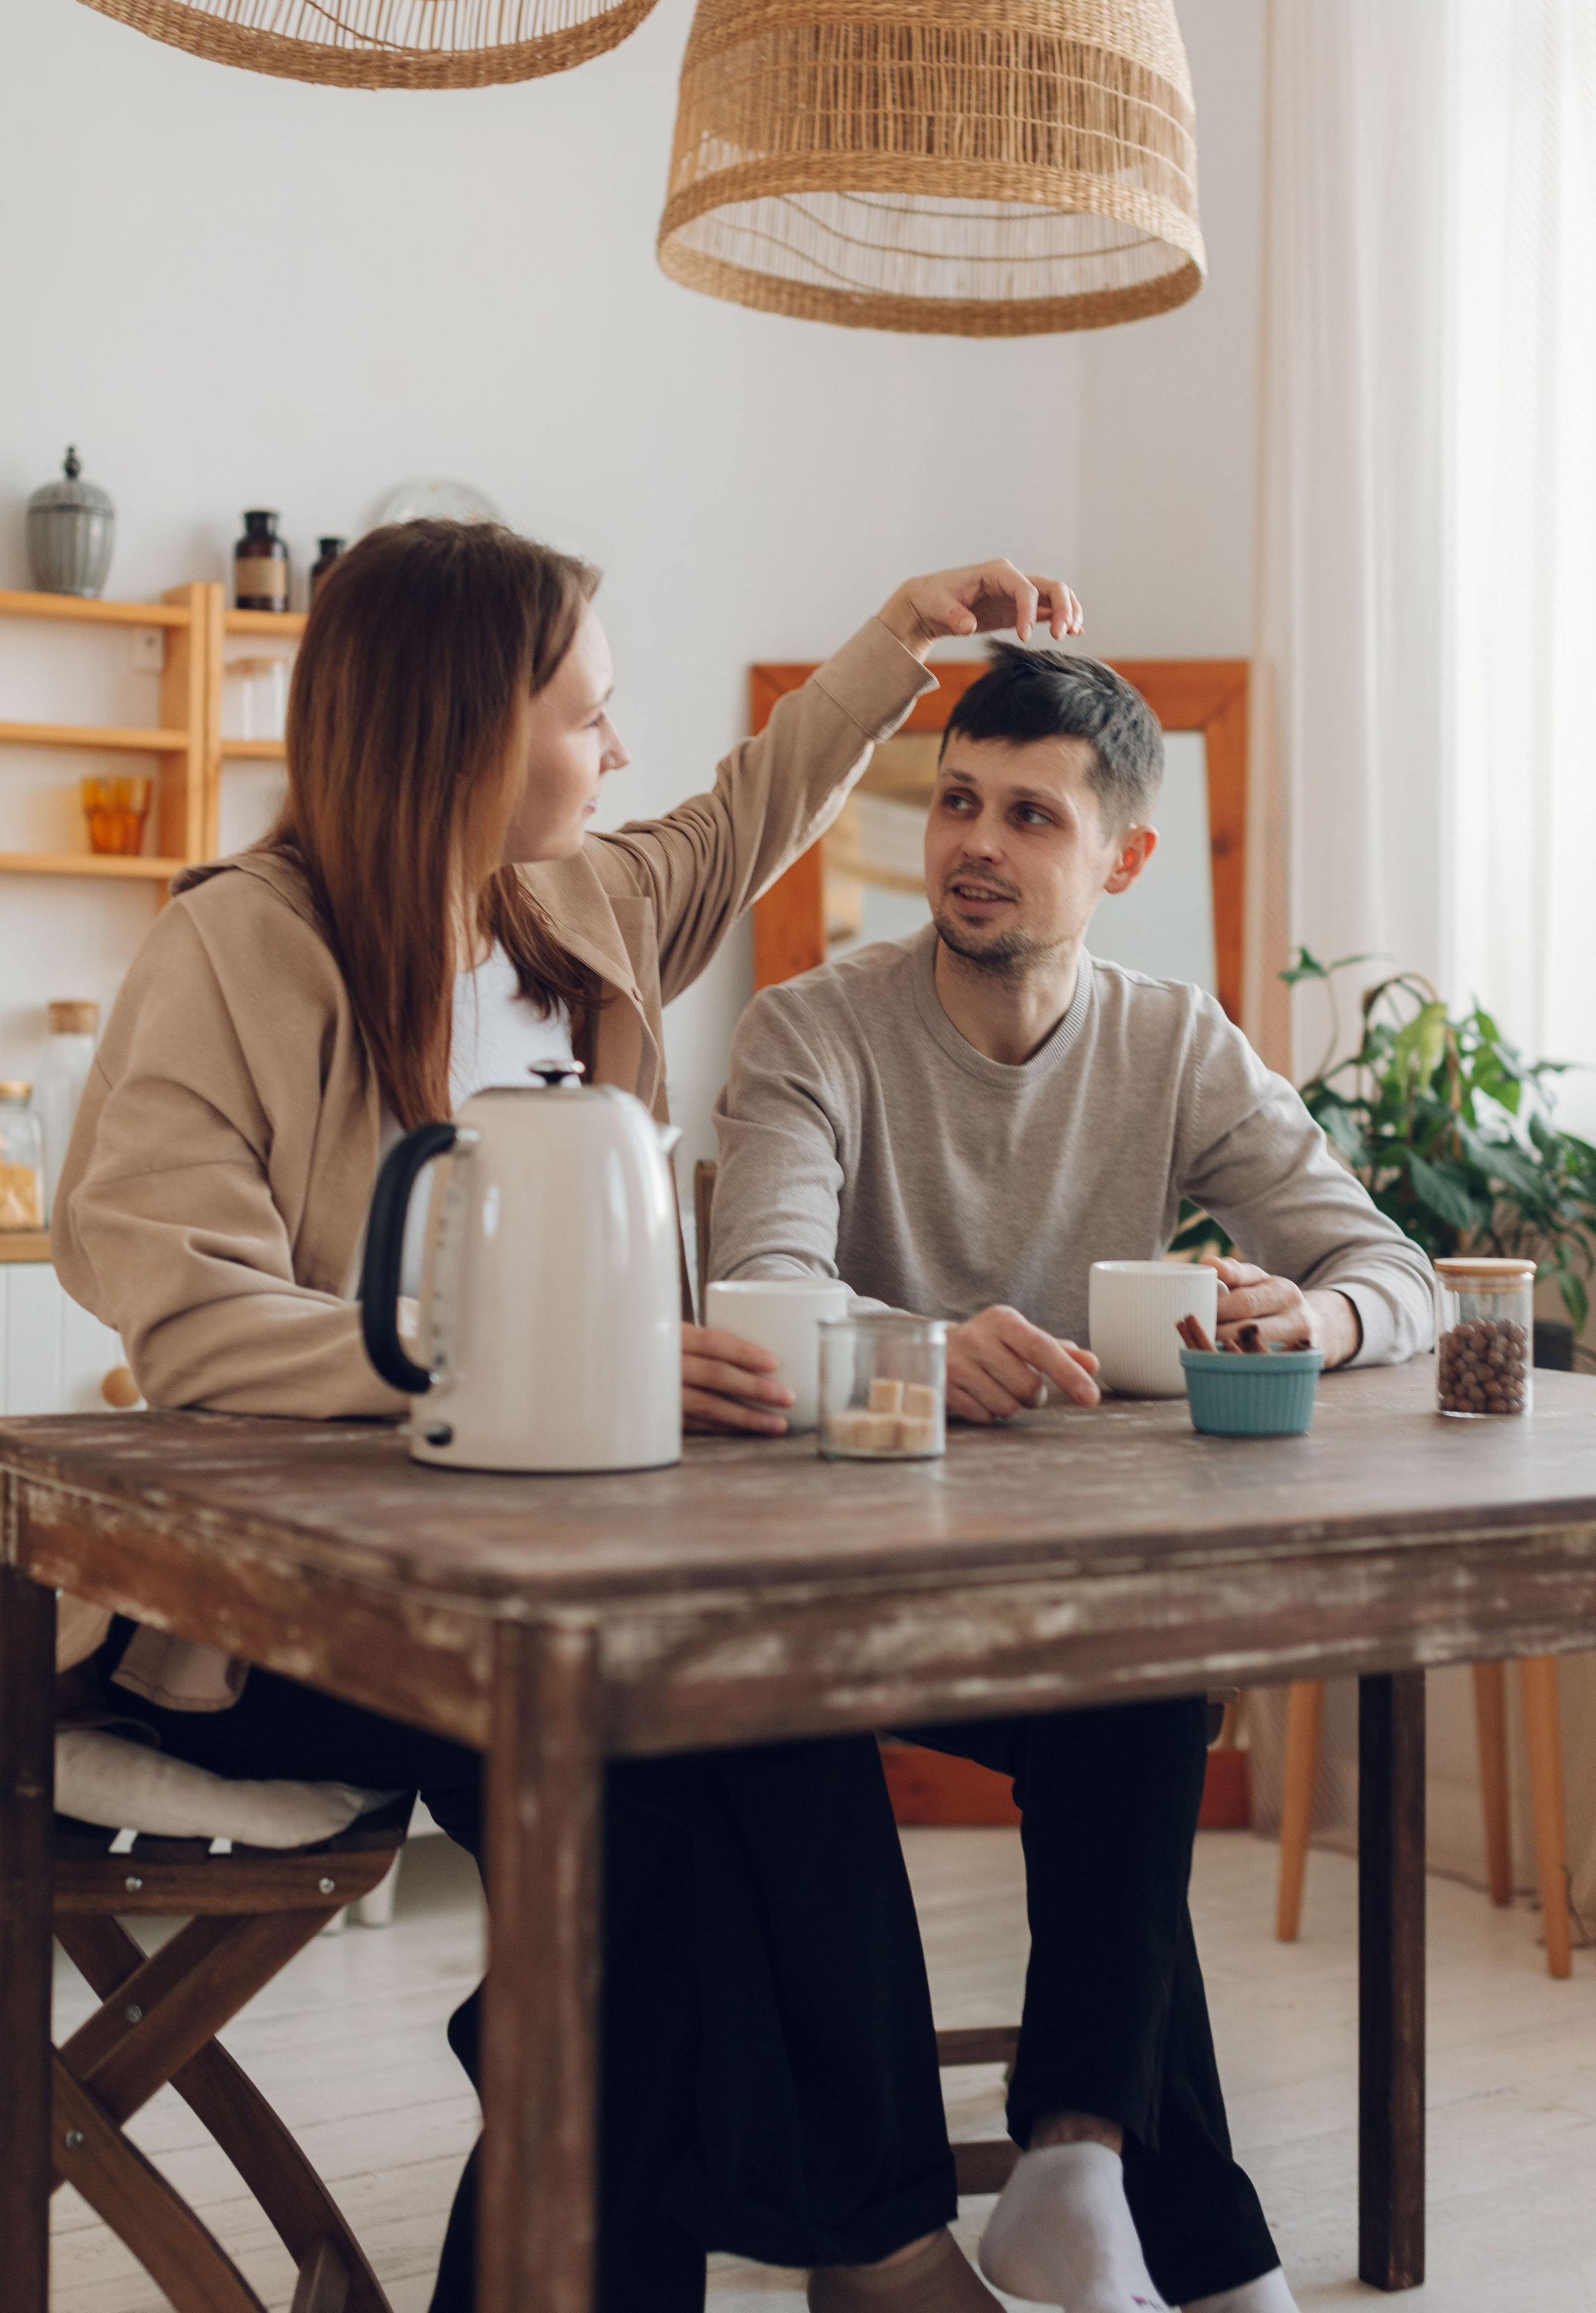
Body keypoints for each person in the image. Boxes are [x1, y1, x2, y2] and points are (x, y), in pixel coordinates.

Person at [52, 524, 1084, 2313]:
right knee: (642, 1859)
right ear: (468, 730)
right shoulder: (233, 949)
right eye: (589, 717)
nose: (618, 748)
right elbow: (184, 1303)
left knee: (778, 1711)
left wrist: (892, 645)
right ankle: (881, 2252)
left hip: (583, 1576)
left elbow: (749, 809)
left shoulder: (581, 912)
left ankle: (875, 2242)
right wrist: (533, 1356)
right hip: (310, 1615)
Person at [709, 644, 1436, 2313]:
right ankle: (1167, 2221)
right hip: (824, 1609)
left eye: (1030, 814)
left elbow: (1384, 1264)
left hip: (1056, 1609)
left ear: (1122, 860)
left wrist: (1309, 1315)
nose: (974, 838)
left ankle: (1081, 2165)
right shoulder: (810, 1029)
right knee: (1140, 1682)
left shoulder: (1174, 1044)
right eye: (957, 799)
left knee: (1142, 1654)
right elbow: (760, 1290)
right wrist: (911, 1346)